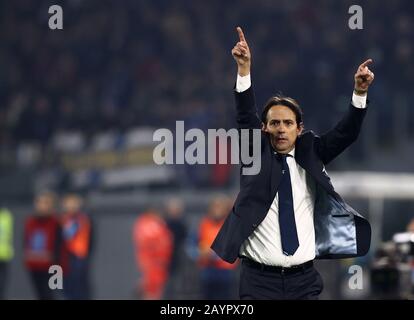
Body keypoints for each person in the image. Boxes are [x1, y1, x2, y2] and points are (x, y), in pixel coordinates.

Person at [211, 27, 374, 300]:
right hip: (258, 283)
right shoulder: (255, 152)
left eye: (288, 123)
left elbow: (346, 133)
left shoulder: (312, 151)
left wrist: (359, 92)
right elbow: (244, 115)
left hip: (305, 281)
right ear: (264, 128)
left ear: (299, 128)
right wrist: (244, 70)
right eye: (274, 123)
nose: (281, 129)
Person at [23, 191, 62, 300]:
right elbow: (26, 241)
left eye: (45, 203)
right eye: (39, 202)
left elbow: (59, 247)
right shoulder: (30, 222)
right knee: (39, 293)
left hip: (53, 267)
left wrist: (56, 264)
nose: (42, 206)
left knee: (51, 294)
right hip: (34, 264)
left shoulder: (56, 223)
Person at [198, 196, 237, 300]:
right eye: (214, 206)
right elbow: (195, 244)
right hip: (207, 268)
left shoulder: (230, 224)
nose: (216, 209)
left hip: (225, 269)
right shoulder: (204, 224)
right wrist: (200, 252)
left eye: (219, 206)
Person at [132, 208, 173, 299]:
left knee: (153, 287)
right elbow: (163, 243)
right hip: (154, 263)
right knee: (152, 289)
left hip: (150, 262)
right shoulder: (152, 226)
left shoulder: (142, 224)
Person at [60, 193, 92, 299]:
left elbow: (91, 240)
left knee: (79, 286)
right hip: (63, 258)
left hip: (79, 257)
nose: (72, 205)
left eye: (74, 202)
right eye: (69, 202)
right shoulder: (61, 220)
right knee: (64, 286)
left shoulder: (84, 219)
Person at [0, 207, 13, 299]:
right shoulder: (7, 216)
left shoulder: (6, 216)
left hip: (5, 255)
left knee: (3, 281)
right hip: (5, 253)